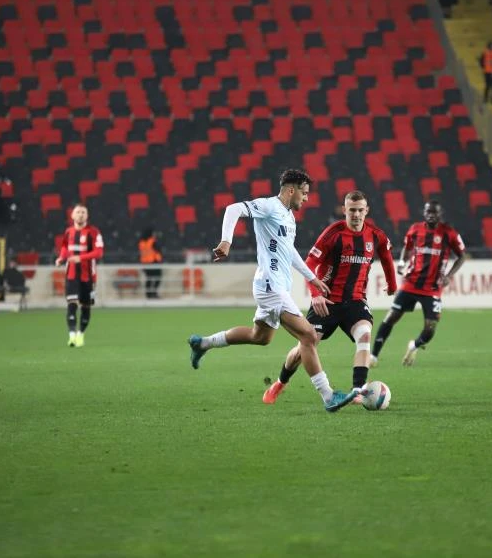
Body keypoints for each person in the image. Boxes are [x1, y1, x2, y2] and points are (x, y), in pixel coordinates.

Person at [187, 169, 359, 413]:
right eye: (304, 192)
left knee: (260, 337)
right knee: (308, 336)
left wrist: (312, 278)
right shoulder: (269, 206)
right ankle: (328, 395)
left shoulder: (288, 218)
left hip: (274, 286)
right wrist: (227, 241)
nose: (307, 198)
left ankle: (202, 343)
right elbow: (233, 209)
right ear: (291, 190)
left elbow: (289, 252)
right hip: (271, 286)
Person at [263, 191, 398, 405]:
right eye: (351, 210)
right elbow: (309, 263)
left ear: (366, 211)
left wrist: (392, 284)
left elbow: (387, 257)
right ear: (344, 210)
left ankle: (358, 390)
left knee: (364, 335)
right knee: (305, 346)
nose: (356, 215)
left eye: (360, 210)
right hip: (327, 301)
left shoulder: (376, 235)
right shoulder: (333, 233)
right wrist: (316, 294)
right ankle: (280, 382)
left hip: (355, 301)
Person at [371, 200, 468, 367]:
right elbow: (407, 247)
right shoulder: (415, 229)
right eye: (428, 211)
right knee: (391, 317)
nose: (431, 215)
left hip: (432, 288)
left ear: (440, 214)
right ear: (424, 213)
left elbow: (462, 256)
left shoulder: (449, 233)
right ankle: (373, 357)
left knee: (430, 329)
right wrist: (402, 263)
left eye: (434, 212)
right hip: (411, 282)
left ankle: (414, 346)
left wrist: (449, 276)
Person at [55, 204, 104, 347]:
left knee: (86, 306)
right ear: (72, 216)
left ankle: (80, 334)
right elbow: (64, 247)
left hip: (88, 275)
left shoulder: (94, 232)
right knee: (71, 303)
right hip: (71, 273)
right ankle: (71, 335)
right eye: (78, 212)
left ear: (87, 216)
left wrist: (81, 258)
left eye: (83, 212)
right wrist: (61, 257)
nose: (80, 214)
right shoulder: (68, 232)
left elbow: (99, 252)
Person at [138, 227, 163, 299]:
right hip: (153, 263)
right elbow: (158, 251)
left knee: (148, 279)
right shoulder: (152, 241)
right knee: (157, 277)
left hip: (145, 263)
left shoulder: (141, 242)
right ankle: (154, 293)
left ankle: (148, 294)